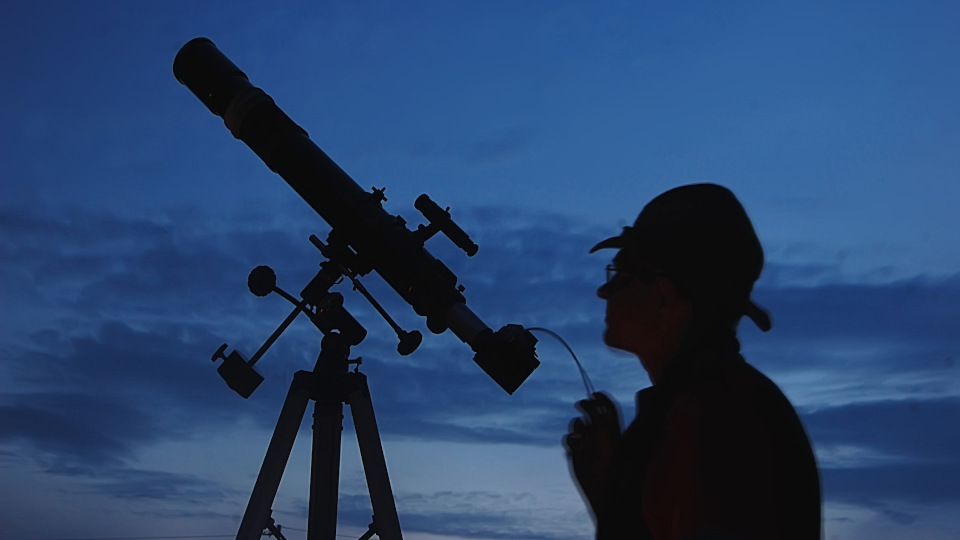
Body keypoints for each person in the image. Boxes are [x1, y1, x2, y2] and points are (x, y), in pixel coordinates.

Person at [565, 183, 821, 540]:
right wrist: (613, 494)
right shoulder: (718, 402)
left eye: (621, 276)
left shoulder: (716, 416)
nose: (603, 291)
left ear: (666, 298)